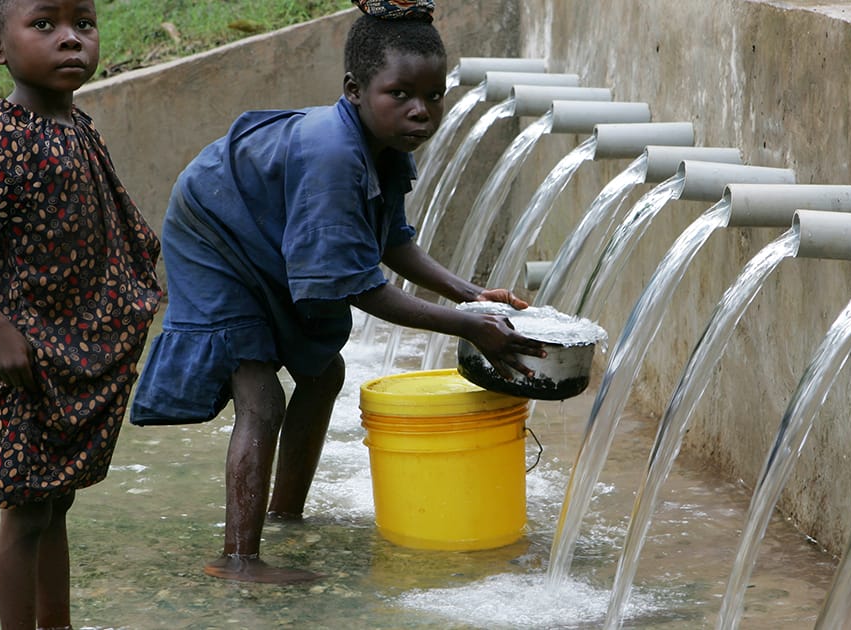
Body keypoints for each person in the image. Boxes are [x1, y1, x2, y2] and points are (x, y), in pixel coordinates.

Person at [128, 0, 546, 584]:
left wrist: (469, 295)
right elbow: (360, 287)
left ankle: (285, 515)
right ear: (354, 89)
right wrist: (467, 326)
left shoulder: (385, 147)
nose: (420, 111)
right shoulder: (332, 156)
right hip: (215, 233)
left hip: (260, 227)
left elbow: (390, 244)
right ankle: (239, 559)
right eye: (400, 94)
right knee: (262, 397)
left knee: (324, 375)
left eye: (432, 95)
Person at [0, 0, 163, 627]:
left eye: (83, 24)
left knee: (55, 502)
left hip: (81, 346)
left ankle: (58, 621)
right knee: (27, 507)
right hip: (32, 354)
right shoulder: (2, 131)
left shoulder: (77, 125)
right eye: (45, 25)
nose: (70, 41)